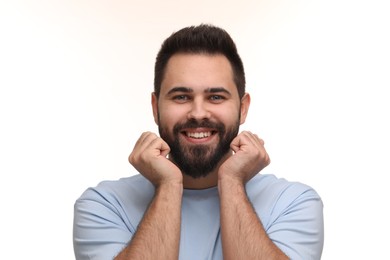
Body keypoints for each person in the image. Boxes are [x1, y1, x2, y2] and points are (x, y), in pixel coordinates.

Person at [73, 24, 324, 260]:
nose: (198, 113)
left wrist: (232, 182)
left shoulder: (293, 203)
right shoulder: (104, 205)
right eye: (181, 96)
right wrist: (169, 184)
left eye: (216, 96)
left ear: (243, 108)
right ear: (155, 107)